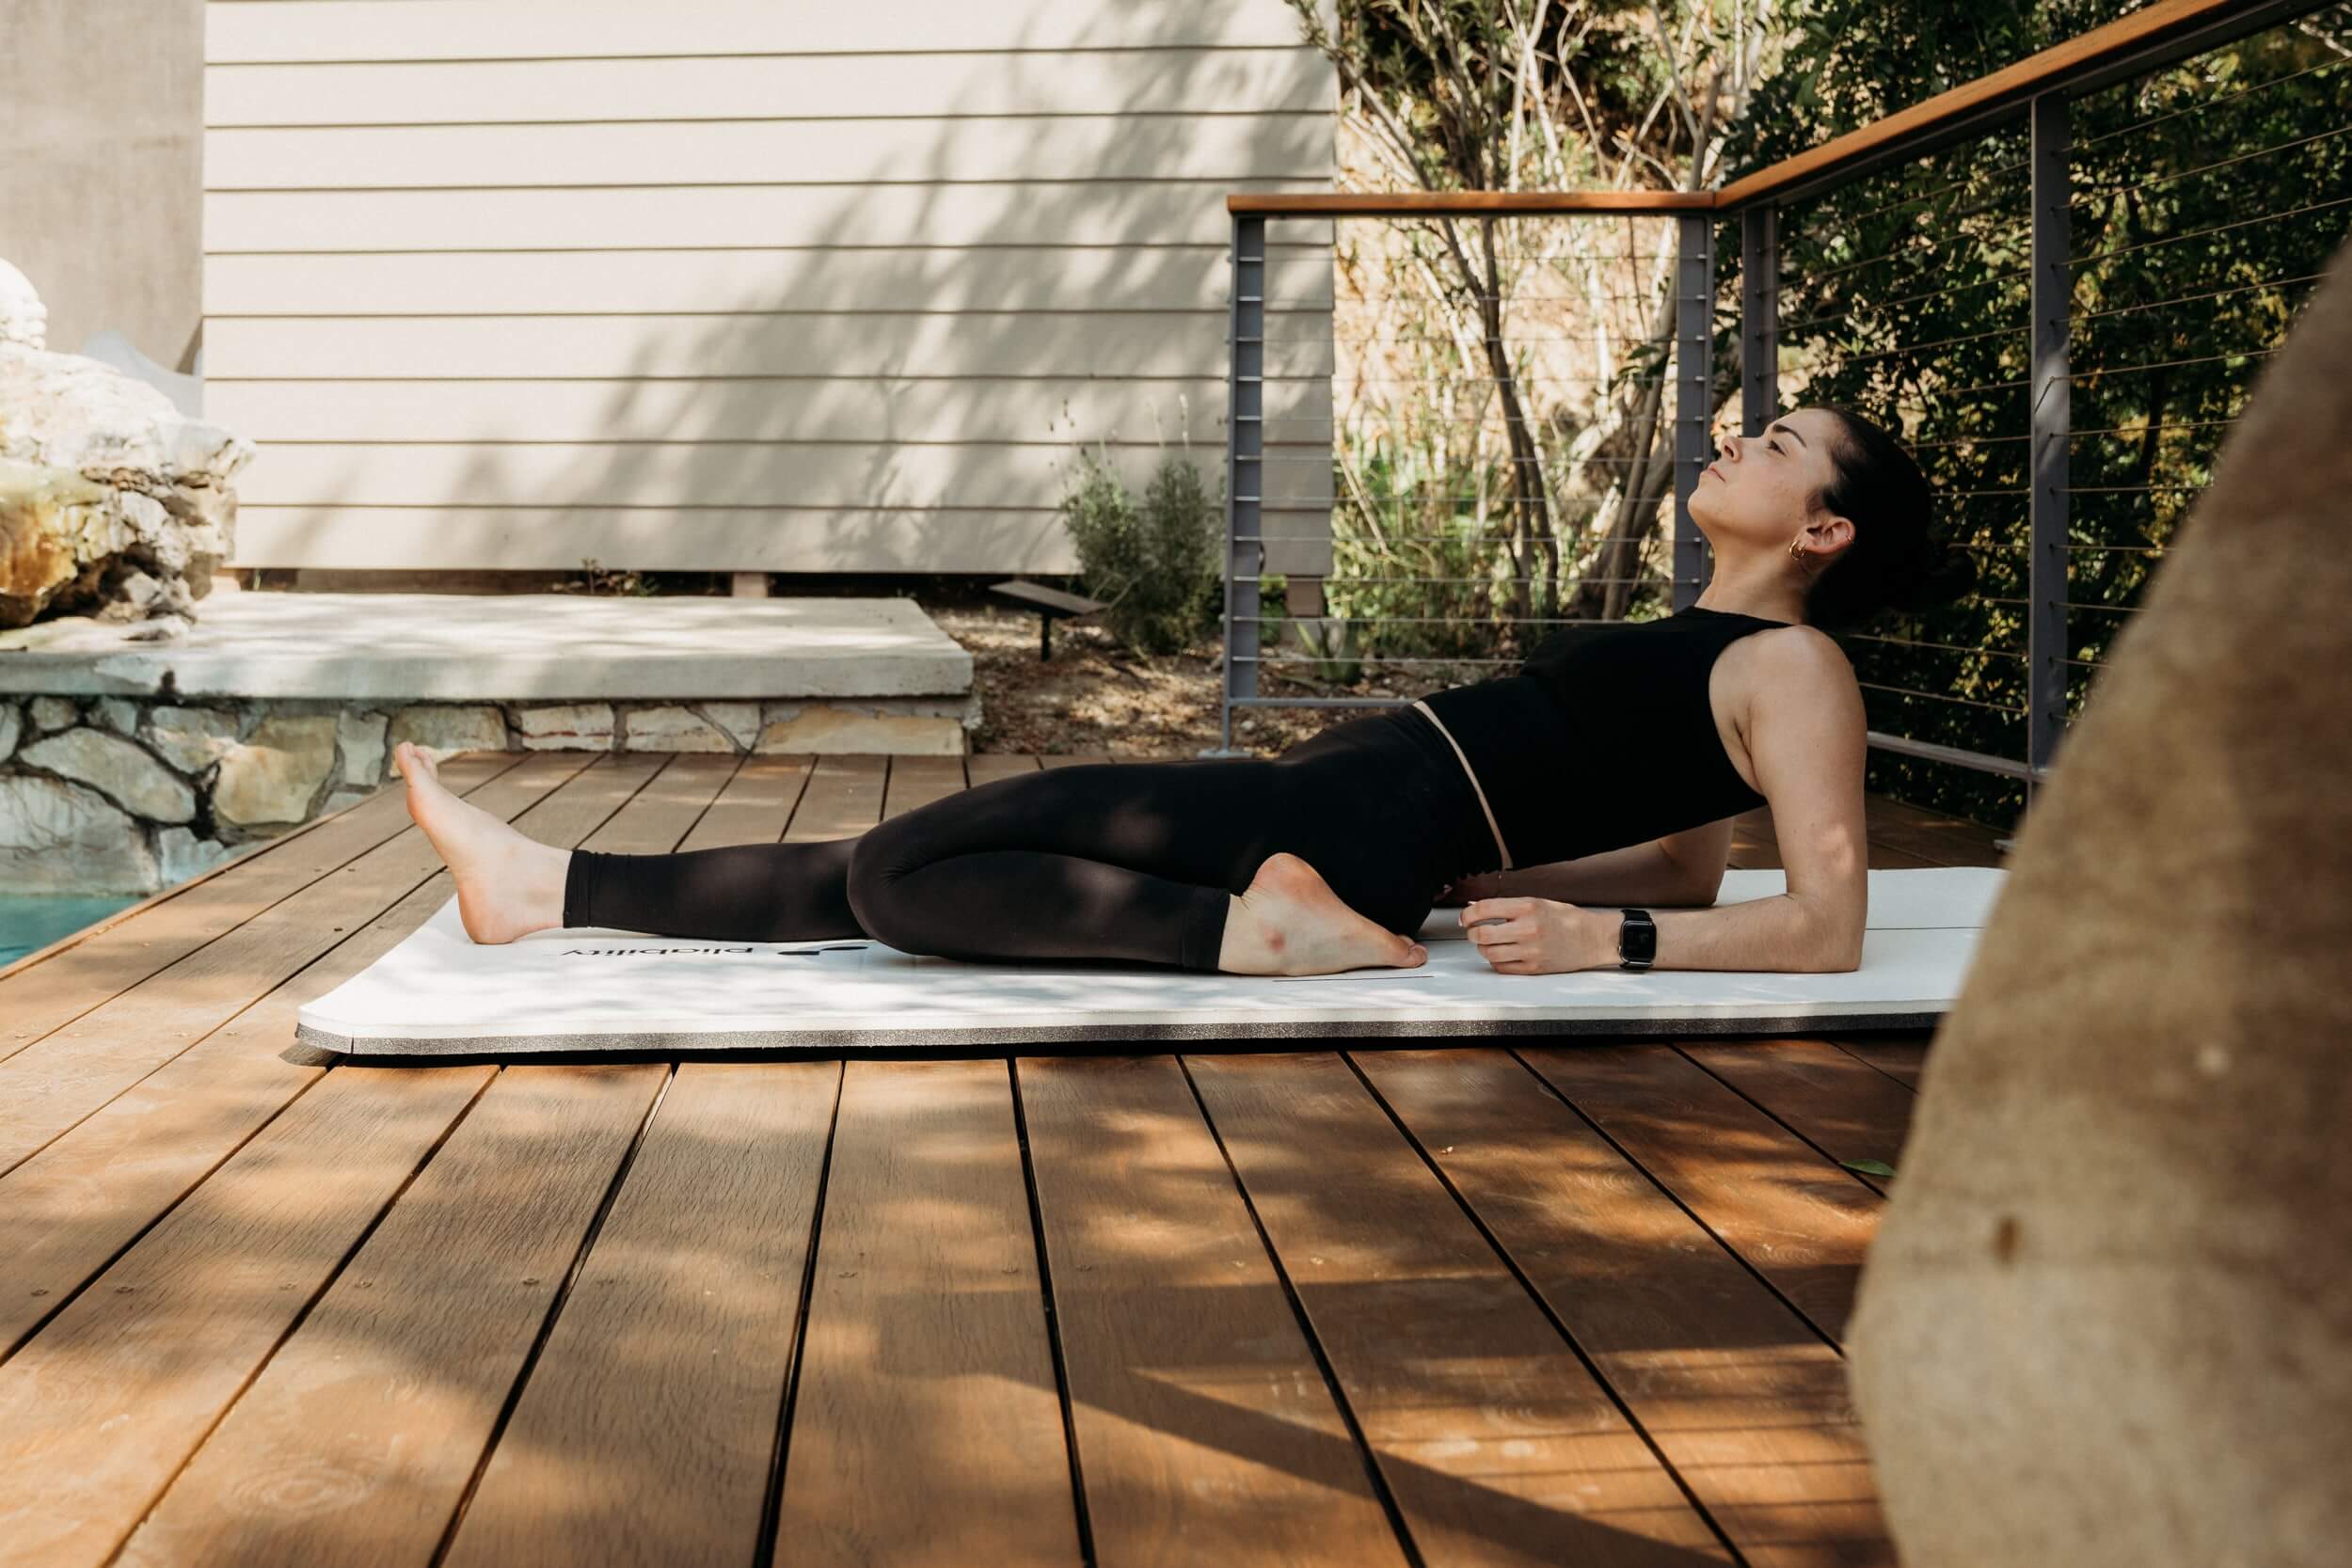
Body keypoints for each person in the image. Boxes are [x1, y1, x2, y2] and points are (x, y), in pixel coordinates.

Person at [394, 403, 1978, 978]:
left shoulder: (1797, 667)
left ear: (1823, 531)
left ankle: (1263, 942)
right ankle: (548, 893)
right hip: (1353, 815)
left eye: (1780, 446)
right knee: (926, 857)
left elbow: (1825, 924)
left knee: (900, 870)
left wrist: (1598, 944)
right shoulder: (1712, 643)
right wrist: (1505, 888)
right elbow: (1688, 865)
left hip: (1352, 835)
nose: (1738, 440)